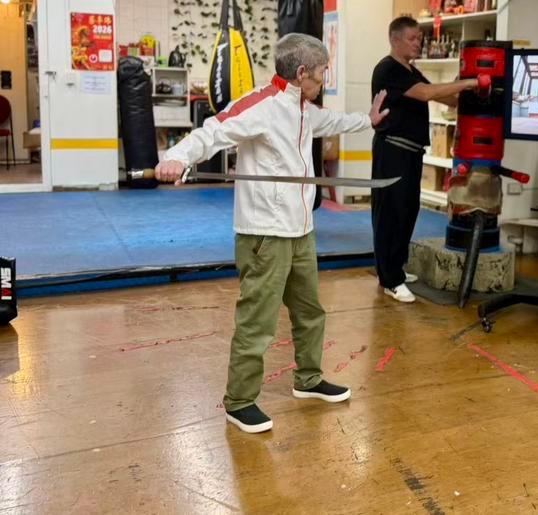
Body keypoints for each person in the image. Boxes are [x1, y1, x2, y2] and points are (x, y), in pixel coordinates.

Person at [155, 33, 389, 433]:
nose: (324, 81)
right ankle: (239, 401)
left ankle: (309, 379)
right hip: (265, 234)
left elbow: (332, 121)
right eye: (322, 74)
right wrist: (176, 157)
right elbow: (213, 130)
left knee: (309, 311)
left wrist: (367, 120)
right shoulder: (261, 105)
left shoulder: (304, 108)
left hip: (301, 230)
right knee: (258, 322)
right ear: (302, 73)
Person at [371, 16, 479, 303]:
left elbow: (447, 99)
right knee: (391, 213)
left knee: (408, 210)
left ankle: (395, 268)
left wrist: (466, 77)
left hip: (412, 152)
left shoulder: (412, 71)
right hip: (392, 151)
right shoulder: (387, 69)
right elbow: (426, 93)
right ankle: (390, 279)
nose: (418, 43)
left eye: (420, 38)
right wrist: (467, 82)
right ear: (395, 39)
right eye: (412, 38)